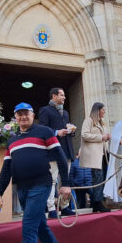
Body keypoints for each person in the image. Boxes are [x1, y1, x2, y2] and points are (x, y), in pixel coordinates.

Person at [0, 102, 71, 243]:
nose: (23, 117)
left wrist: (66, 184)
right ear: (15, 117)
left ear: (33, 115)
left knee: (28, 230)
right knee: (41, 228)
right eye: (19, 114)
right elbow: (6, 169)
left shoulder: (44, 132)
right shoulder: (12, 140)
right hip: (23, 189)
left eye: (26, 114)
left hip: (41, 185)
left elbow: (61, 159)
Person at [39, 87, 76, 218]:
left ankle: (65, 206)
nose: (64, 97)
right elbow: (43, 129)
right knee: (52, 180)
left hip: (66, 150)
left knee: (65, 181)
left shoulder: (65, 113)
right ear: (54, 96)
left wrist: (71, 130)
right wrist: (56, 133)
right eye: (62, 95)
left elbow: (65, 129)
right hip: (53, 151)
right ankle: (51, 209)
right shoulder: (45, 110)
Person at [79, 102, 111, 213]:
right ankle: (98, 202)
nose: (104, 112)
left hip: (104, 154)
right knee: (98, 177)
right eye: (103, 110)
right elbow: (84, 134)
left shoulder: (103, 123)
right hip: (95, 155)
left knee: (102, 178)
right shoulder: (88, 120)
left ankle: (96, 203)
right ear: (97, 110)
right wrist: (101, 137)